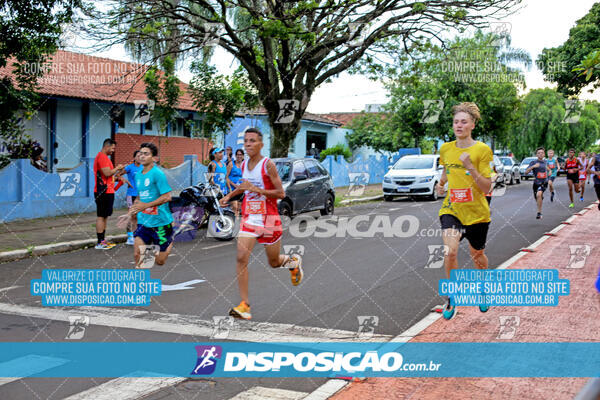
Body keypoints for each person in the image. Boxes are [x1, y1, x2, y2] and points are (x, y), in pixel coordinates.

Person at [219, 127, 303, 320]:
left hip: (269, 218)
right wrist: (229, 196)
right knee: (241, 258)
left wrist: (257, 189)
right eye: (246, 141)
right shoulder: (244, 164)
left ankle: (293, 261)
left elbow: (281, 193)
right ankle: (244, 305)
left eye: (252, 141)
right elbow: (243, 185)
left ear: (261, 144)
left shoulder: (268, 165)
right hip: (250, 217)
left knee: (273, 262)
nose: (248, 144)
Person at [434, 102, 493, 320]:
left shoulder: (482, 150)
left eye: (464, 122)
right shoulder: (446, 148)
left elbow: (487, 186)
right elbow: (446, 170)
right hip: (452, 209)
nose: (459, 125)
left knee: (477, 255)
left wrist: (469, 166)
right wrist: (441, 184)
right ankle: (452, 296)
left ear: (473, 125)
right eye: (456, 121)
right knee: (449, 251)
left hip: (477, 213)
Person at [127, 143, 174, 267]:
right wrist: (132, 210)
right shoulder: (138, 175)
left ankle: (169, 242)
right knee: (138, 255)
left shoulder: (157, 174)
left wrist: (145, 205)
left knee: (159, 261)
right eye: (140, 153)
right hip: (144, 222)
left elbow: (167, 197)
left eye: (146, 154)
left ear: (154, 158)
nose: (142, 156)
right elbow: (140, 196)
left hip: (161, 223)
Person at [93, 138, 124, 250]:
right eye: (113, 148)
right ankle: (100, 242)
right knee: (101, 216)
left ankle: (103, 240)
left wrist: (117, 177)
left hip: (108, 191)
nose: (113, 150)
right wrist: (117, 168)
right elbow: (106, 173)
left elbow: (108, 177)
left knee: (105, 216)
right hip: (103, 191)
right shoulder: (102, 157)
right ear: (107, 146)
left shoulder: (105, 158)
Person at [525, 147, 550, 219]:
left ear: (544, 154)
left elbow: (549, 169)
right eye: (539, 153)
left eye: (542, 153)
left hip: (544, 182)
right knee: (537, 198)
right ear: (536, 154)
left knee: (539, 194)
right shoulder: (533, 162)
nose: (540, 154)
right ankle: (540, 198)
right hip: (536, 183)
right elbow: (526, 172)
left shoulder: (546, 162)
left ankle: (539, 213)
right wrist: (533, 167)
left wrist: (550, 172)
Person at [124, 150, 143, 245]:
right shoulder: (130, 167)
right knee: (132, 215)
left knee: (140, 216)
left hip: (142, 195)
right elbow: (117, 175)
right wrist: (125, 181)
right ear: (134, 157)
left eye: (142, 156)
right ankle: (130, 236)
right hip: (131, 194)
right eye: (138, 156)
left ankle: (137, 234)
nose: (140, 157)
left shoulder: (144, 167)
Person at [226, 149, 245, 215]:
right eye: (238, 155)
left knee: (240, 209)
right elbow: (226, 177)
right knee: (235, 208)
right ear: (236, 156)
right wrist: (233, 186)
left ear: (243, 156)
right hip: (232, 189)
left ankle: (238, 223)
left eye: (240, 155)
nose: (239, 156)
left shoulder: (244, 165)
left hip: (241, 190)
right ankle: (235, 224)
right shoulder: (231, 164)